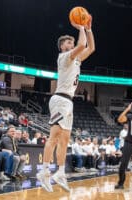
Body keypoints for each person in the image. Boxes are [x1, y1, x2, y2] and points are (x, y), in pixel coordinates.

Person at [36, 15, 95, 192]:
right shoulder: (64, 57)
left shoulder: (76, 59)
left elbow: (91, 47)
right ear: (63, 47)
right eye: (68, 42)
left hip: (68, 102)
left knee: (65, 140)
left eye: (72, 42)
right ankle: (44, 171)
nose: (71, 44)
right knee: (54, 136)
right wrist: (81, 28)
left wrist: (89, 29)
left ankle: (60, 172)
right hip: (60, 99)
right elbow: (82, 45)